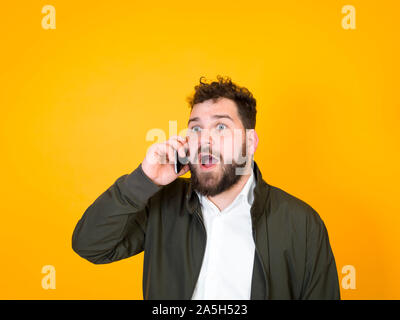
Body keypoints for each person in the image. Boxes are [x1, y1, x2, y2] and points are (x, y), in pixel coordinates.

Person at [72, 76, 340, 300]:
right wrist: (144, 180)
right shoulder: (161, 204)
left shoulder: (302, 224)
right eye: (196, 129)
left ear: (250, 141)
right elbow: (90, 246)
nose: (205, 140)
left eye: (221, 126)